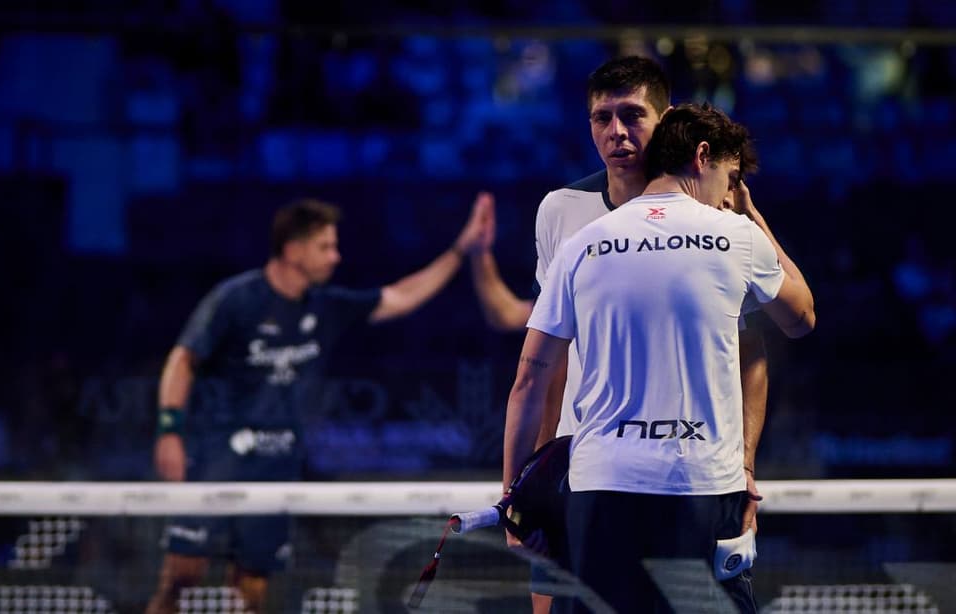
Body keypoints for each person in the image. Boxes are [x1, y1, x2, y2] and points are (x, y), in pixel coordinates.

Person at [471, 56, 769, 612]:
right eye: (601, 118)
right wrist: (532, 490)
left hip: (695, 479)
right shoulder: (560, 212)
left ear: (667, 119)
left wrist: (745, 465)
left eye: (632, 115)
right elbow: (546, 363)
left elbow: (749, 353)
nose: (616, 133)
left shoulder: (717, 220)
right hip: (591, 476)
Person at [145, 195, 489, 614]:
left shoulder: (327, 307)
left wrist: (460, 250)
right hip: (217, 458)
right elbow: (183, 358)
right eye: (325, 247)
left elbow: (401, 296)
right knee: (181, 575)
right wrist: (169, 430)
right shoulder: (235, 299)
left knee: (252, 593)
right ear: (293, 250)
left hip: (278, 470)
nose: (336, 256)